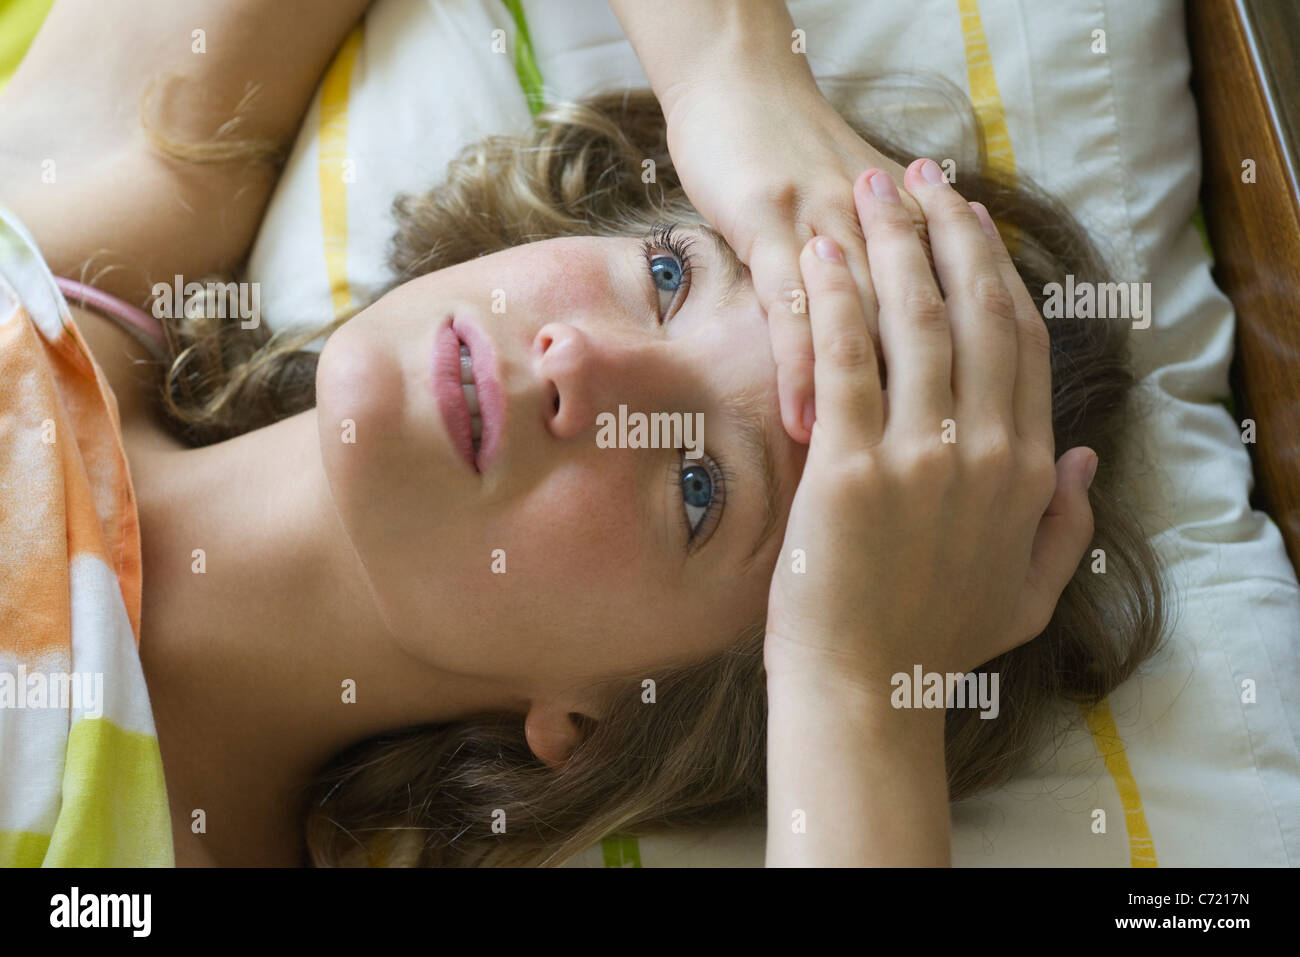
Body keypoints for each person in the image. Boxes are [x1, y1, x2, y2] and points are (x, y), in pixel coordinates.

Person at [0, 0, 1165, 866]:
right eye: (667, 274)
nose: (586, 364)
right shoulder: (109, 216)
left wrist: (857, 692)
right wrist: (734, 78)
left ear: (599, 723)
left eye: (699, 486)